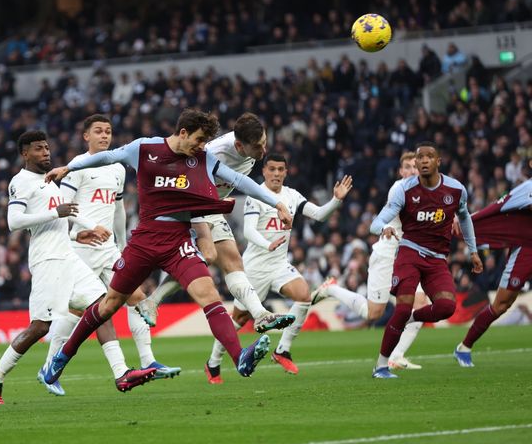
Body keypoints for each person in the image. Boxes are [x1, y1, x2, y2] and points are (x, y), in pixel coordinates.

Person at [41, 109, 295, 388]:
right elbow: (107, 156)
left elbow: (239, 181)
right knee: (110, 303)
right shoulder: (144, 148)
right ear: (183, 133)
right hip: (146, 239)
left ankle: (240, 358)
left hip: (179, 241)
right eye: (198, 140)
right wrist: (69, 167)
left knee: (208, 294)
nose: (201, 147)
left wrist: (278, 203)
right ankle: (61, 358)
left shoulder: (202, 158)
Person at [0, 131, 157, 405]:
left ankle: (121, 373)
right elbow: (14, 221)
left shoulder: (50, 182)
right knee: (40, 327)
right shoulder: (21, 181)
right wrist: (56, 213)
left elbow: (59, 223)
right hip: (47, 261)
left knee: (103, 305)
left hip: (68, 255)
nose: (46, 153)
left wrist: (80, 233)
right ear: (25, 154)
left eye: (47, 148)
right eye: (39, 149)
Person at [48, 114, 181, 384]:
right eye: (98, 131)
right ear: (86, 136)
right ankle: (51, 366)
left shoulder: (118, 168)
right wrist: (90, 226)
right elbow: (63, 208)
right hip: (81, 247)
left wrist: (122, 243)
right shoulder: (77, 167)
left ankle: (148, 361)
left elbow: (117, 208)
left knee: (137, 298)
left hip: (108, 248)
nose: (104, 135)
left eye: (108, 131)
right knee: (77, 312)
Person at [137, 113, 295, 335]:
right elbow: (184, 175)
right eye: (258, 147)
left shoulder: (249, 147)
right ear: (239, 145)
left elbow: (243, 182)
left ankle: (260, 315)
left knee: (233, 261)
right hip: (191, 204)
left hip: (212, 206)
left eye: (264, 143)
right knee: (208, 255)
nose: (264, 151)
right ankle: (153, 301)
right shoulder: (215, 153)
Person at [204, 153, 352, 381]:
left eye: (280, 169)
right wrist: (268, 244)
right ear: (264, 171)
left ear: (286, 172)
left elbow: (320, 215)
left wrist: (336, 200)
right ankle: (213, 363)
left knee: (303, 295)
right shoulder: (256, 195)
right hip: (255, 268)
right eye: (271, 169)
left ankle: (282, 350)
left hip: (280, 264)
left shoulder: (291, 196)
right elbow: (248, 231)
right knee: (238, 320)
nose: (276, 174)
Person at [369, 142, 482, 379]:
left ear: (438, 161)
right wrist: (385, 228)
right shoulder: (404, 190)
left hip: (437, 259)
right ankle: (380, 366)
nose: (424, 161)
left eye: (429, 157)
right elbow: (376, 222)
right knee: (401, 307)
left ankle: (411, 317)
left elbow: (465, 218)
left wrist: (473, 250)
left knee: (446, 307)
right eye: (420, 158)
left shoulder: (456, 189)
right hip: (409, 253)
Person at [312, 152, 428, 371]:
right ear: (401, 171)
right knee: (373, 313)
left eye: (416, 166)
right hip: (387, 255)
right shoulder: (399, 190)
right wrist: (385, 228)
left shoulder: (427, 192)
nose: (413, 170)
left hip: (409, 257)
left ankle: (396, 356)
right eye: (408, 167)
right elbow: (375, 224)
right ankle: (333, 289)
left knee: (421, 304)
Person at [454, 168, 532, 366]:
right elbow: (498, 208)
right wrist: (467, 221)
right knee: (502, 304)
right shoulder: (528, 188)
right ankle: (464, 347)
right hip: (527, 247)